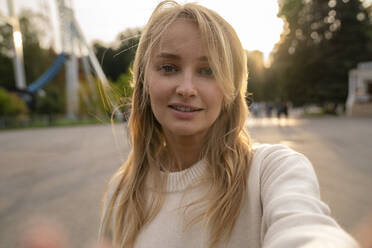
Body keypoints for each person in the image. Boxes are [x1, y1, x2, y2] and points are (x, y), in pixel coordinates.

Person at [98, 1, 359, 248]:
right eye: (168, 67)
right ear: (144, 81)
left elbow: (306, 229)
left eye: (208, 70)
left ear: (232, 88)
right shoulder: (121, 194)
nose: (186, 88)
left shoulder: (271, 172)